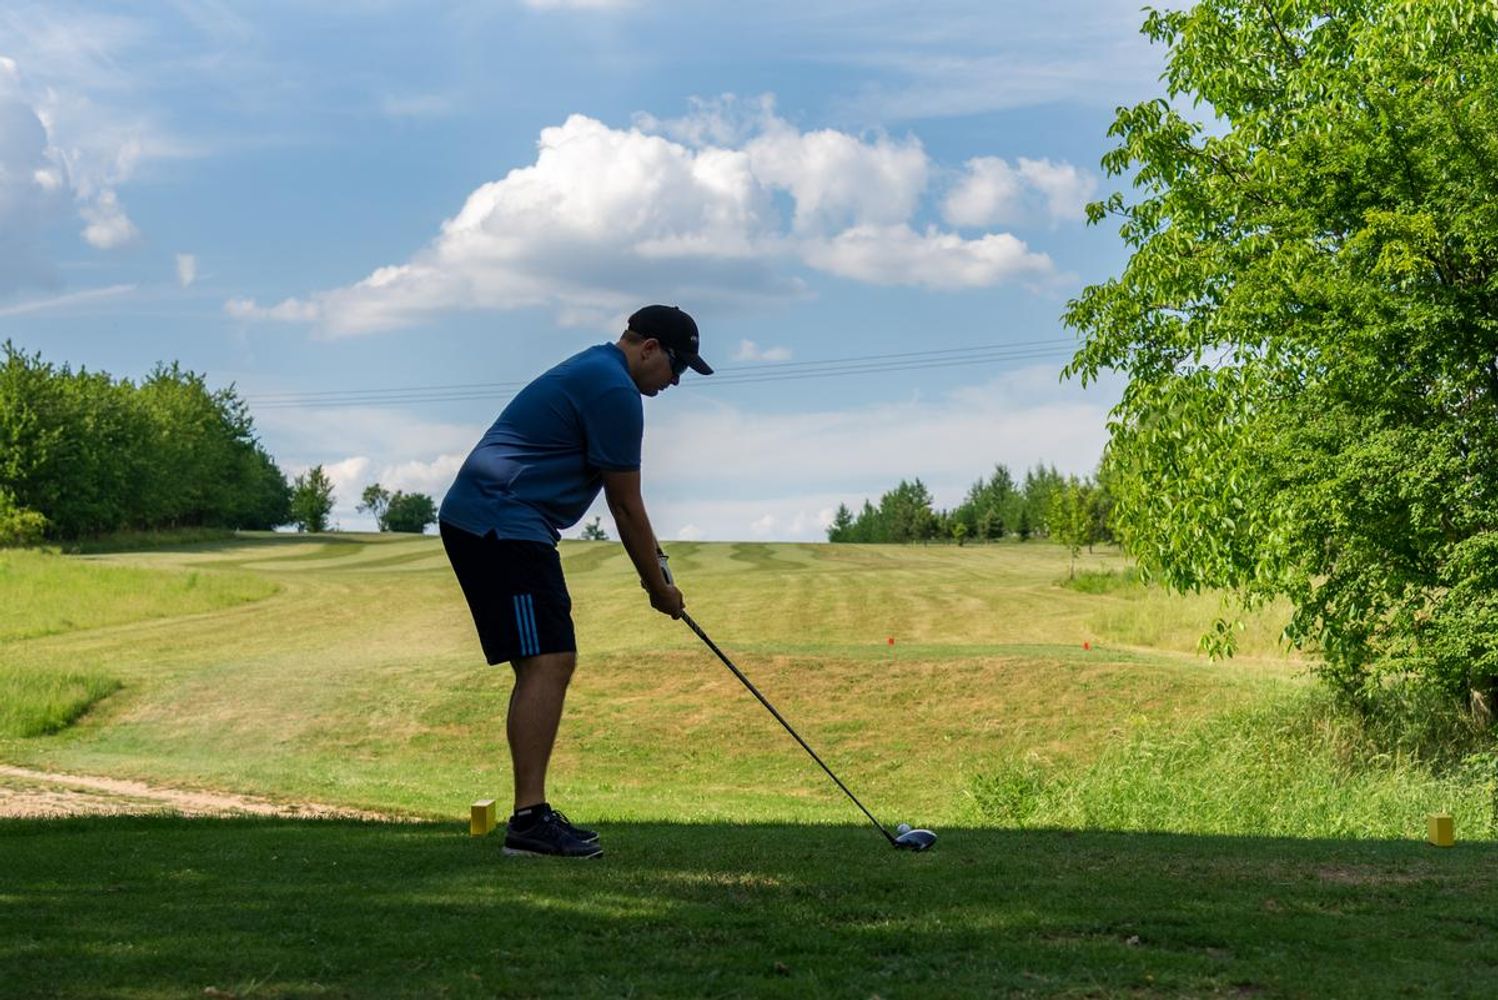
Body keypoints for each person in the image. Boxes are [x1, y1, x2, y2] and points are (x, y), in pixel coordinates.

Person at [438, 305, 713, 858]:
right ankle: (529, 822)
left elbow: (627, 507)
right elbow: (625, 505)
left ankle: (531, 817)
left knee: (546, 661)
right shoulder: (614, 390)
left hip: (504, 522)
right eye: (677, 365)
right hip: (500, 522)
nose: (677, 380)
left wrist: (659, 571)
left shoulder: (599, 370)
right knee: (548, 661)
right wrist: (657, 589)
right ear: (649, 348)